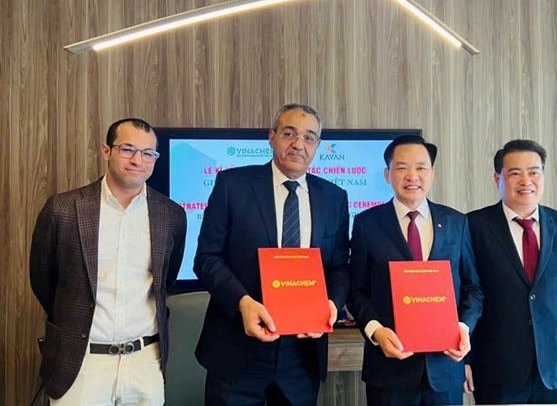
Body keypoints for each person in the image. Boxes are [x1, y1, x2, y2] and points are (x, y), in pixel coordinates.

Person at [194, 103, 350, 406]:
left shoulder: (334, 197)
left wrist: (332, 303)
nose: (298, 145)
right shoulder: (232, 185)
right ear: (271, 136)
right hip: (237, 348)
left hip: (302, 355)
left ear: (317, 145)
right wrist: (243, 303)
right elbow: (207, 258)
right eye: (289, 134)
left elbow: (340, 266)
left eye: (309, 137)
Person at [30, 118, 187, 405]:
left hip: (145, 362)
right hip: (82, 362)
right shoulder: (63, 209)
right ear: (106, 151)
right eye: (127, 149)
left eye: (148, 153)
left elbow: (167, 280)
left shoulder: (171, 215)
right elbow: (43, 280)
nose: (138, 160)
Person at [465, 139, 557, 404]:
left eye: (534, 172)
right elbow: (466, 294)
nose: (526, 181)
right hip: (496, 366)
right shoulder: (473, 225)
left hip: (556, 366)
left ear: (543, 176)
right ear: (497, 178)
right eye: (515, 173)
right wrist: (464, 360)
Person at [348, 134, 483, 406]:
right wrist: (376, 331)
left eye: (421, 167)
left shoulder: (456, 222)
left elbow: (472, 289)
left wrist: (462, 328)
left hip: (445, 368)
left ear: (432, 173)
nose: (412, 176)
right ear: (387, 174)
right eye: (402, 167)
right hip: (389, 369)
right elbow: (356, 291)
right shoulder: (366, 223)